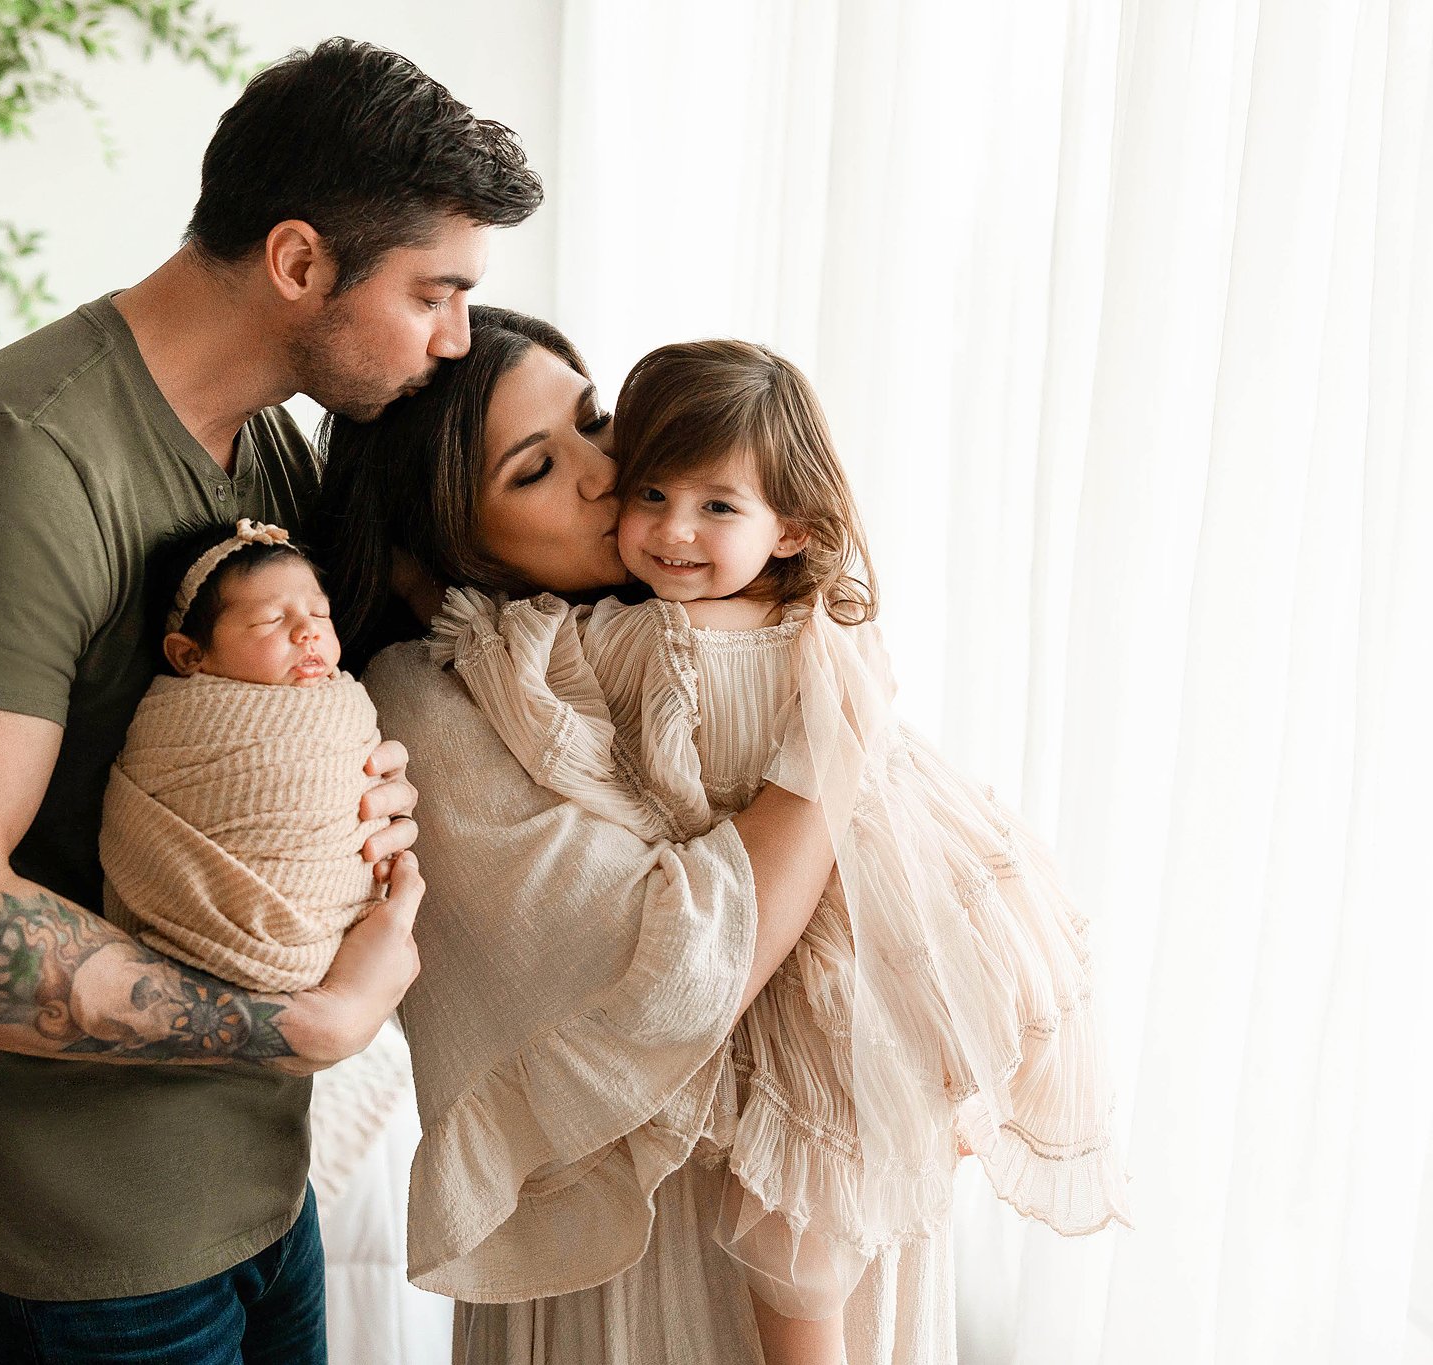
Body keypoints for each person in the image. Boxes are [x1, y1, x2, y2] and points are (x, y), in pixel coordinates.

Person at [0, 39, 539, 1363]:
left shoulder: (267, 445)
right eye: (436, 294)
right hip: (80, 1243)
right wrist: (305, 1026)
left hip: (255, 1190)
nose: (454, 342)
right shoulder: (11, 466)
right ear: (297, 262)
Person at [422, 339, 1131, 1364]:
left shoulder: (805, 650)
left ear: (790, 527)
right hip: (730, 947)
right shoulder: (646, 636)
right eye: (651, 492)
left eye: (715, 507)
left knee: (803, 1237)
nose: (668, 530)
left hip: (825, 958)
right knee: (796, 1246)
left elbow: (899, 811)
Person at [312, 307, 957, 1364]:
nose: (607, 475)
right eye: (534, 469)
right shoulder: (429, 699)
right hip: (641, 1232)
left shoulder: (709, 622)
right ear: (432, 549)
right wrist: (824, 760)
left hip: (823, 1169)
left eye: (594, 420)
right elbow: (670, 974)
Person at [99, 519, 389, 994]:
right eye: (271, 621)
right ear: (190, 657)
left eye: (320, 614)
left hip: (327, 929)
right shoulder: (180, 724)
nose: (307, 633)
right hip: (186, 950)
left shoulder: (343, 704)